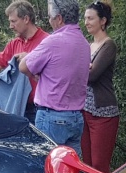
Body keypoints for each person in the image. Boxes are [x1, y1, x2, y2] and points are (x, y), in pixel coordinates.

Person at [18, 0, 89, 151]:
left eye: (50, 17)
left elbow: (23, 66)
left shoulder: (53, 41)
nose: (49, 21)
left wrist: (35, 75)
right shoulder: (84, 44)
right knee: (71, 171)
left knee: (47, 168)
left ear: (59, 19)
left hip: (52, 117)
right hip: (76, 118)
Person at [0, 2, 48, 121]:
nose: (10, 26)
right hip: (19, 109)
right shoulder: (15, 43)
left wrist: (31, 58)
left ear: (26, 19)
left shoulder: (47, 41)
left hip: (41, 109)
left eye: (13, 21)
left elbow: (56, 72)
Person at [81, 2, 119, 172]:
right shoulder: (88, 46)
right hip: (84, 111)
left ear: (102, 21)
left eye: (90, 18)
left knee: (99, 166)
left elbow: (92, 75)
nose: (86, 22)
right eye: (85, 18)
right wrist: (85, 66)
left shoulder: (108, 45)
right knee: (87, 165)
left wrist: (83, 67)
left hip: (103, 113)